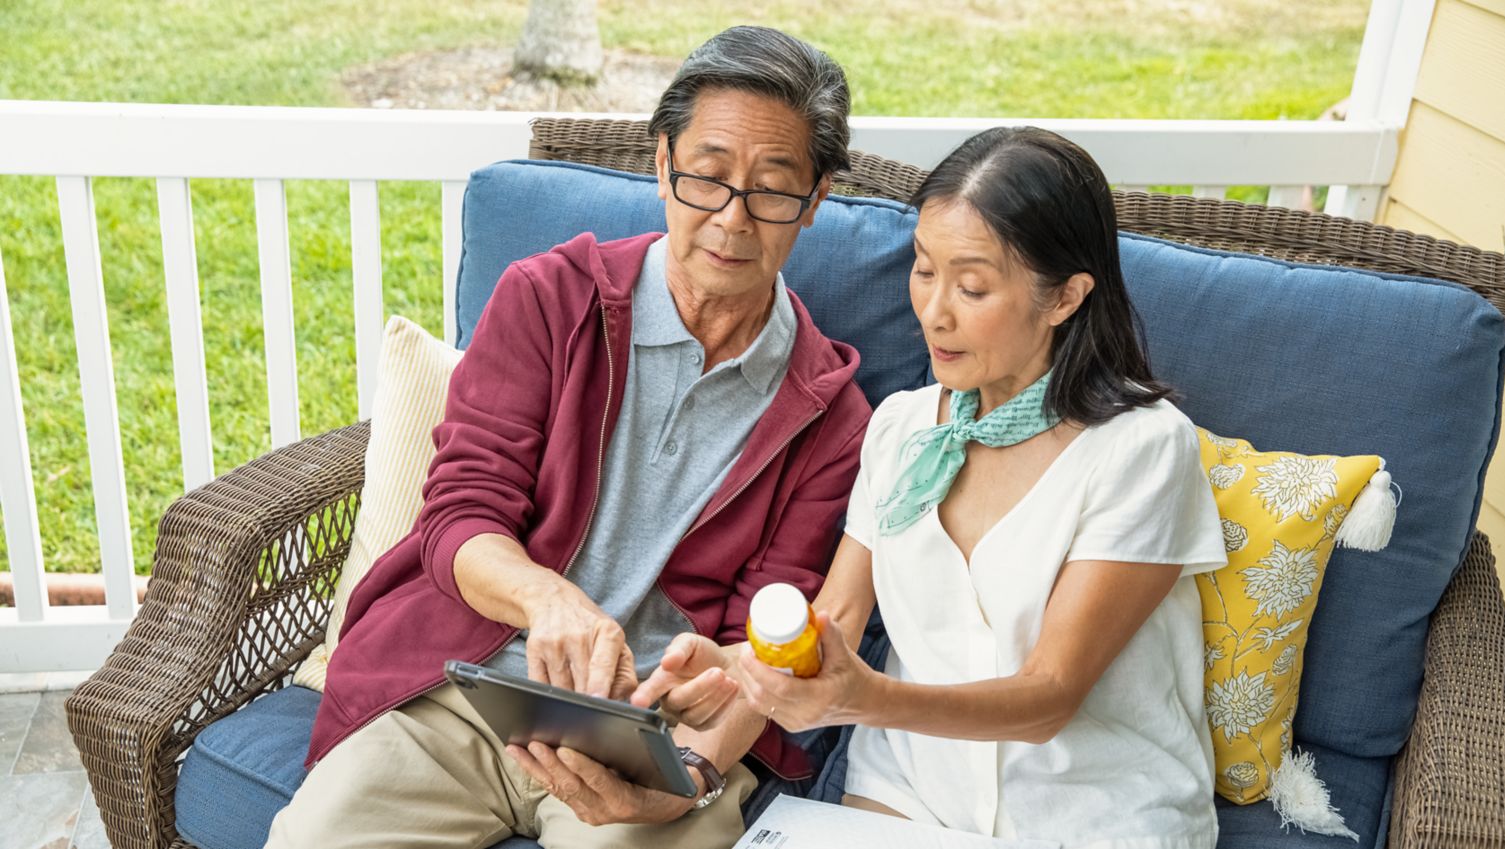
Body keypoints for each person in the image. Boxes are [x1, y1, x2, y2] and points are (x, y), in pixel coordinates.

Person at [266, 26, 871, 849]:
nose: (732, 218)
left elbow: (762, 648)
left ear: (816, 198)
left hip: (648, 738)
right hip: (461, 694)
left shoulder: (830, 417)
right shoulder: (548, 299)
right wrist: (548, 598)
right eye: (707, 176)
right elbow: (459, 516)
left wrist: (686, 776)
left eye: (771, 189)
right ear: (662, 165)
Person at [634, 127, 1228, 849]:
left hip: (1090, 815)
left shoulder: (1142, 447)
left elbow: (1048, 696)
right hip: (905, 800)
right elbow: (839, 618)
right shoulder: (901, 427)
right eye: (923, 271)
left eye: (971, 286)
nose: (934, 312)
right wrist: (734, 666)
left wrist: (866, 698)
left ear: (1065, 296)